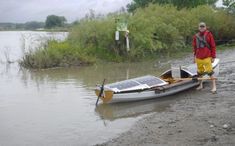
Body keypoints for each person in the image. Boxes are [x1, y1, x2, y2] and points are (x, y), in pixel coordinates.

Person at [192, 22, 216, 93]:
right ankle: (200, 85)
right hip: (198, 58)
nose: (202, 28)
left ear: (205, 27)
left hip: (207, 57)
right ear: (198, 28)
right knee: (199, 73)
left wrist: (213, 57)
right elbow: (194, 48)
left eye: (203, 27)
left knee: (210, 72)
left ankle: (214, 87)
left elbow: (213, 46)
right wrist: (194, 57)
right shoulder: (195, 36)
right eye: (200, 27)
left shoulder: (209, 34)